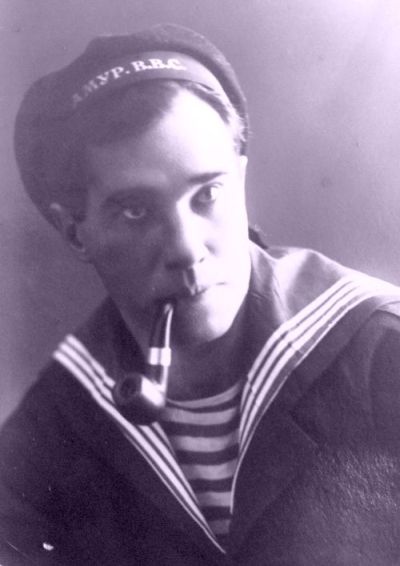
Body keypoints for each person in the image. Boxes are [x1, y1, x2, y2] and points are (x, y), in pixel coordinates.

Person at [1, 23, 400, 566]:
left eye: (207, 193)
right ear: (74, 232)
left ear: (240, 178)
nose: (186, 250)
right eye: (136, 211)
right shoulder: (48, 433)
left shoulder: (381, 351)